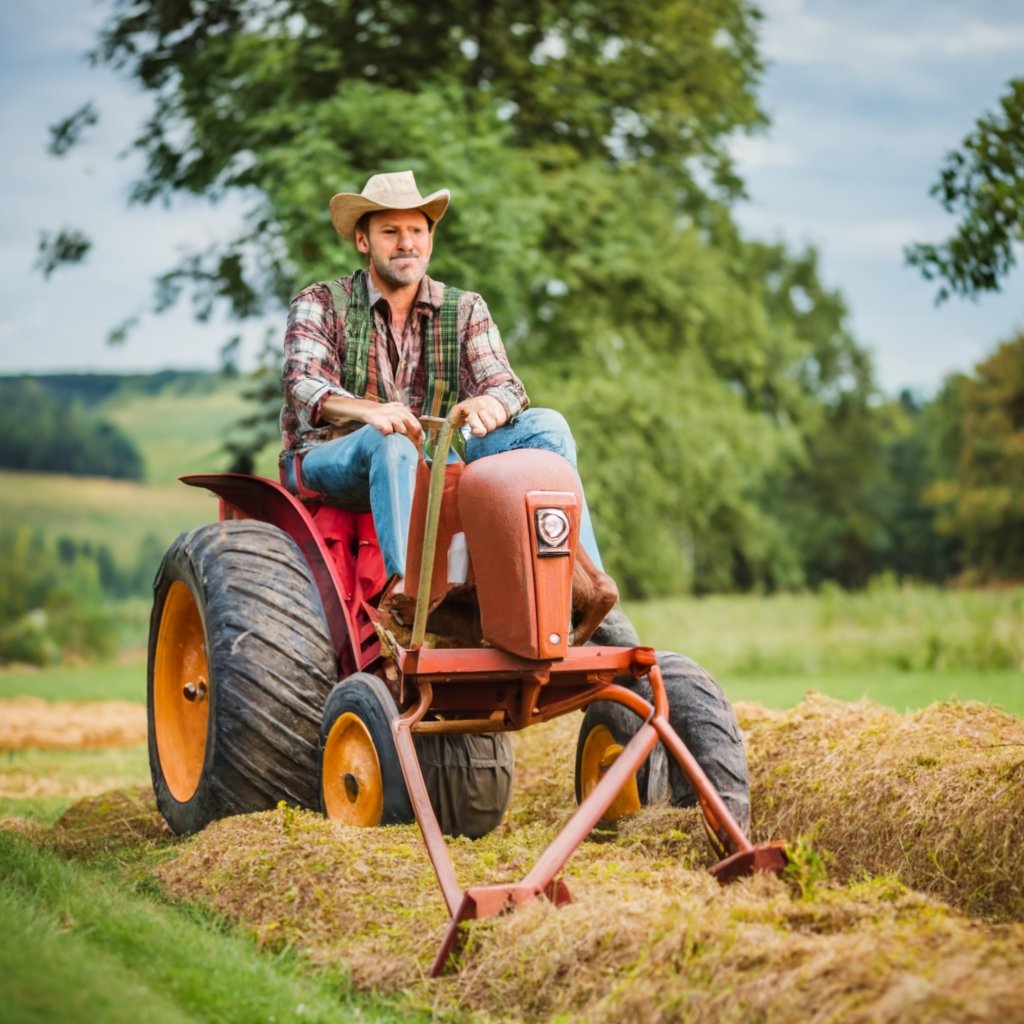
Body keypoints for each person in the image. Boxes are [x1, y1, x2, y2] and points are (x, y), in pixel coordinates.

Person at [279, 170, 617, 642]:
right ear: (363, 240)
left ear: (430, 239)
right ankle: (410, 596)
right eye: (390, 232)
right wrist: (368, 412)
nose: (406, 243)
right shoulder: (321, 302)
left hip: (434, 457)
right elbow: (303, 383)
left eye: (416, 230)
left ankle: (581, 583)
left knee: (548, 427)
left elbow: (506, 384)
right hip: (329, 456)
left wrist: (491, 404)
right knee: (392, 442)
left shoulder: (464, 308)